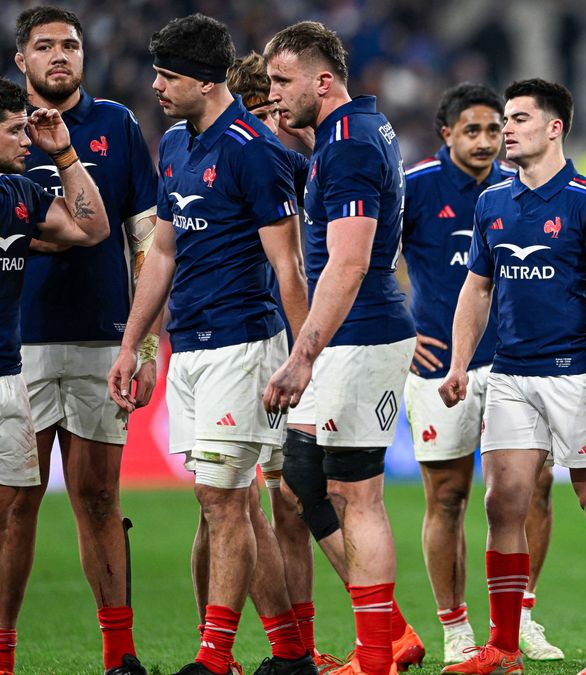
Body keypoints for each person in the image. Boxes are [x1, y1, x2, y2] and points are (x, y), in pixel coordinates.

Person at [106, 14, 312, 675]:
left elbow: (288, 266)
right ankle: (289, 654)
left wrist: (304, 355)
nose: (157, 86)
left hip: (244, 344)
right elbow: (161, 252)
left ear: (200, 79)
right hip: (188, 349)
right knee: (231, 500)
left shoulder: (256, 151)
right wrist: (134, 344)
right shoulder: (173, 143)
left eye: (166, 75)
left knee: (224, 499)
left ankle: (214, 655)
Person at [438, 78, 586, 675]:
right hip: (510, 376)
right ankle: (501, 650)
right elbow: (476, 289)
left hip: (577, 375)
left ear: (554, 128)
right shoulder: (492, 202)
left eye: (519, 119)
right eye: (506, 119)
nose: (506, 130)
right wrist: (457, 363)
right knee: (503, 504)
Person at [263, 20, 426, 675]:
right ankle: (388, 637)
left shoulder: (351, 143)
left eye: (282, 81)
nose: (272, 93)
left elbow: (349, 259)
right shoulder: (349, 132)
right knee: (305, 475)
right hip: (359, 333)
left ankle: (375, 652)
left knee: (357, 496)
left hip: (360, 333)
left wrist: (305, 351)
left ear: (322, 81)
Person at [1, 7, 156, 675]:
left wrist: (144, 344)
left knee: (99, 495)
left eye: (70, 44)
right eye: (45, 46)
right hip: (19, 343)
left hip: (101, 338)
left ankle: (119, 656)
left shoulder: (116, 125)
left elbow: (145, 238)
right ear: (21, 59)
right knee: (15, 503)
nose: (60, 55)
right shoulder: (6, 129)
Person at [400, 82, 563, 664]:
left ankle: (520, 616)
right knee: (448, 497)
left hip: (519, 365)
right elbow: (368, 259)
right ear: (446, 134)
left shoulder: (520, 186)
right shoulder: (415, 188)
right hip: (441, 368)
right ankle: (455, 627)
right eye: (472, 130)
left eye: (495, 129)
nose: (486, 140)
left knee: (534, 489)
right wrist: (401, 329)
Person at [217, 49, 343, 668]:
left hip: (280, 342)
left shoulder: (288, 162)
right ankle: (291, 647)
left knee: (291, 495)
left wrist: (305, 350)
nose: (275, 112)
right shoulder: (274, 158)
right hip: (267, 341)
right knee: (252, 498)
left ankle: (322, 641)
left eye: (273, 100)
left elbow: (303, 264)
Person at [0, 76, 110, 675]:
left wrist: (64, 154)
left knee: (10, 511)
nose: (26, 138)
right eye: (15, 129)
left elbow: (90, 229)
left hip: (8, 376)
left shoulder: (19, 194)